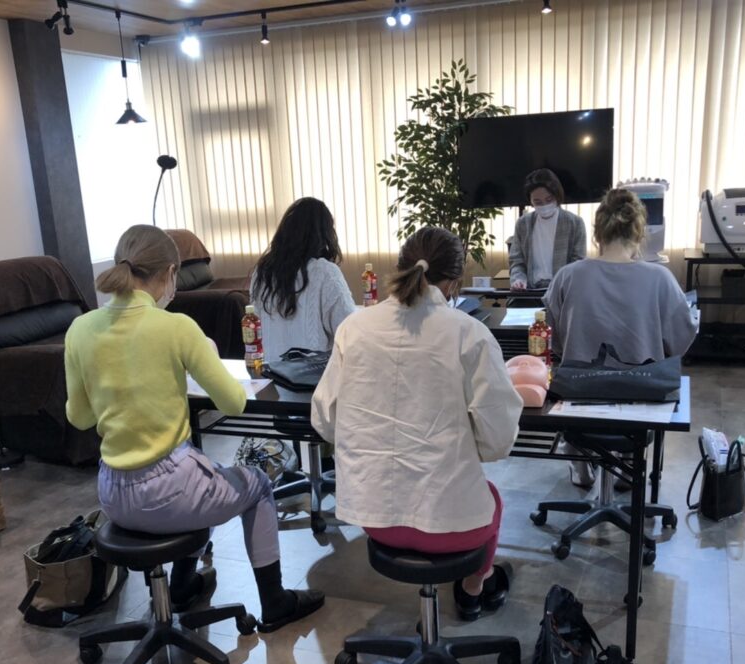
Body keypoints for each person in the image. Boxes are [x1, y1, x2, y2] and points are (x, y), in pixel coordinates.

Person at [65, 224, 323, 631]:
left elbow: (79, 417)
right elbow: (233, 402)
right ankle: (275, 602)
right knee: (254, 484)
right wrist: (206, 354)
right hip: (168, 494)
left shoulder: (80, 329)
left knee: (202, 473)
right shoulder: (176, 327)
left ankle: (183, 586)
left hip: (113, 492)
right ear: (170, 273)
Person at [311, 227, 524, 620]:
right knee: (491, 497)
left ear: (400, 267)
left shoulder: (353, 328)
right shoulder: (469, 333)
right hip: (454, 524)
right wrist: (462, 442)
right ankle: (474, 588)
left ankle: (469, 589)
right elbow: (499, 439)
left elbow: (325, 420)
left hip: (374, 519)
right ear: (454, 282)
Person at [545, 188, 697, 486]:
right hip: (641, 399)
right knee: (635, 417)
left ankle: (579, 462)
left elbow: (553, 339)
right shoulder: (660, 278)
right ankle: (628, 465)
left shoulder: (568, 276)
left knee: (574, 395)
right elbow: (680, 341)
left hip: (578, 396)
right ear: (639, 234)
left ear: (597, 234)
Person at [251, 197, 356, 361]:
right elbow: (349, 333)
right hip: (314, 375)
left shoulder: (262, 271)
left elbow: (256, 324)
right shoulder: (325, 272)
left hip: (271, 371)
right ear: (324, 234)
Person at [508, 168, 587, 291]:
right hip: (530, 291)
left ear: (557, 196)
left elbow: (578, 263)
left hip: (562, 291)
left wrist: (561, 286)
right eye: (537, 202)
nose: (544, 205)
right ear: (530, 201)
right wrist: (518, 280)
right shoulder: (523, 224)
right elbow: (517, 261)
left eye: (549, 200)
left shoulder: (575, 223)